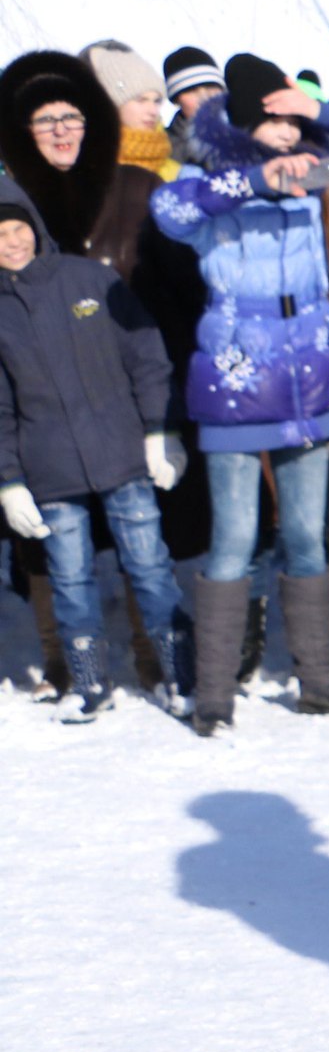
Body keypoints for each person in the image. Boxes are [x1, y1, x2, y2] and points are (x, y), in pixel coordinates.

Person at [156, 53, 329, 737]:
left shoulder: (322, 176)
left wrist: (323, 113)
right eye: (268, 118)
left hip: (310, 375)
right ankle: (213, 694)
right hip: (238, 377)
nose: (281, 129)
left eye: (285, 116)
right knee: (235, 537)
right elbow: (168, 210)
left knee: (305, 534)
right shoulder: (205, 180)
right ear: (242, 122)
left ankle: (317, 679)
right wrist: (254, 179)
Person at [0, 49, 207, 694]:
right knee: (50, 548)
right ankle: (65, 663)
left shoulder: (136, 190)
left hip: (129, 403)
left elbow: (184, 295)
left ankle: (156, 654)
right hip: (42, 415)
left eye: (71, 118)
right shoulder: (12, 206)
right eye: (43, 122)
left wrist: (166, 411)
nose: (61, 132)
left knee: (145, 541)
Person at [0, 188, 189, 720]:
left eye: (18, 229)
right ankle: (89, 683)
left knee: (150, 566)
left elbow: (146, 354)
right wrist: (8, 481)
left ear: (35, 228)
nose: (12, 243)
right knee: (70, 577)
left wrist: (160, 429)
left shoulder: (89, 280)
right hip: (50, 467)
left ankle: (181, 672)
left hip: (123, 452)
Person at [81, 41, 180, 181]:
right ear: (111, 104)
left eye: (157, 101)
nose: (153, 111)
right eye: (141, 100)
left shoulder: (179, 173)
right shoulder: (83, 164)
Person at [161, 47, 224, 168]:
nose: (205, 98)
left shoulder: (251, 133)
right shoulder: (162, 148)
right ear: (176, 100)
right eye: (192, 90)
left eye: (210, 87)